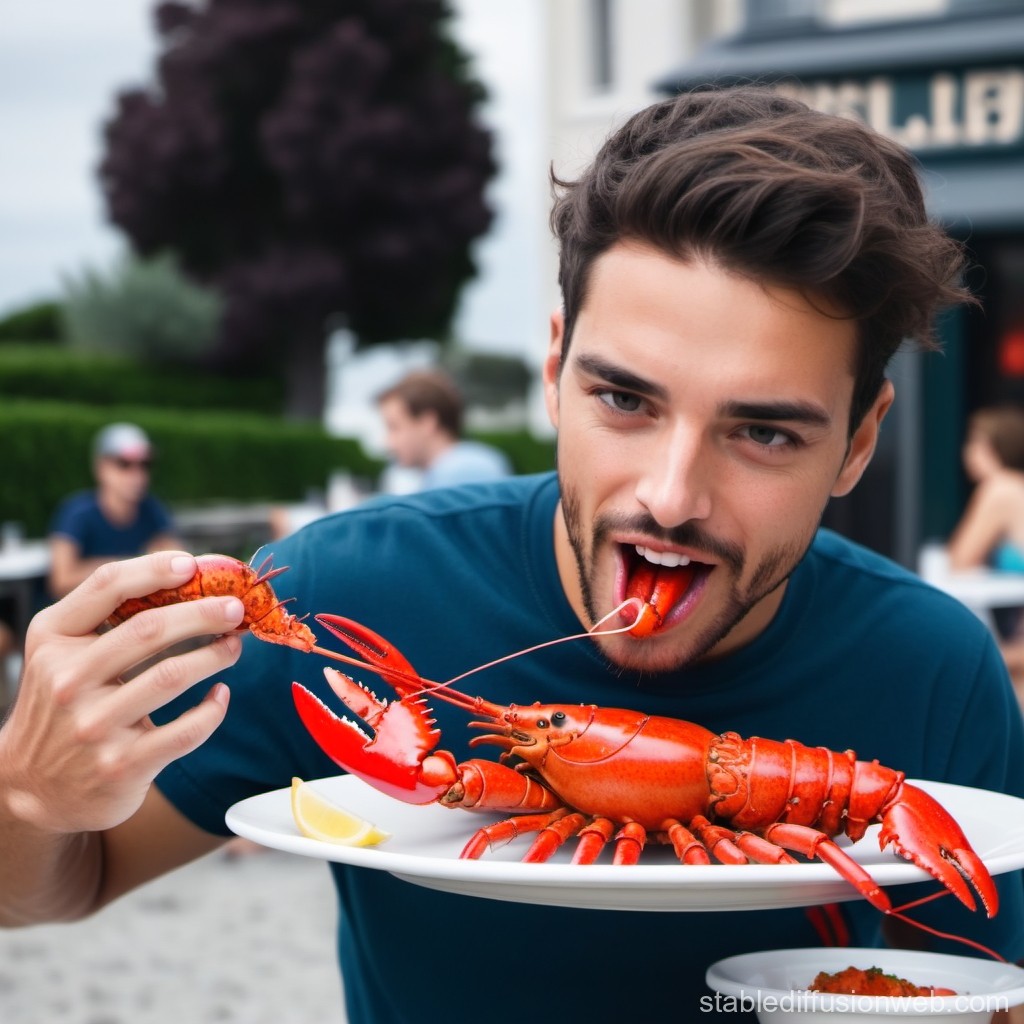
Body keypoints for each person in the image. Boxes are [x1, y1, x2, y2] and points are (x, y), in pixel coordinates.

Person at [3, 87, 1023, 1024]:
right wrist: (29, 793)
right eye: (623, 399)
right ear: (552, 371)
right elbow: (59, 888)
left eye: (764, 432)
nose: (669, 496)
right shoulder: (340, 593)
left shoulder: (937, 666)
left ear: (856, 441)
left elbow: (981, 995)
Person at [47, 422, 179, 599]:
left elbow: (177, 561)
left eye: (145, 464)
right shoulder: (76, 512)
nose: (137, 474)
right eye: (124, 464)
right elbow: (61, 581)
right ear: (101, 468)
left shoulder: (152, 508)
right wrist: (136, 563)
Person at [948, 404, 1024, 710]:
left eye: (974, 441)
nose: (967, 451)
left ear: (994, 446)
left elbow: (960, 560)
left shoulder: (1000, 488)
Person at [375, 368, 512, 490]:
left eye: (394, 427)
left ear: (427, 423)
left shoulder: (460, 471)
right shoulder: (457, 468)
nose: (388, 443)